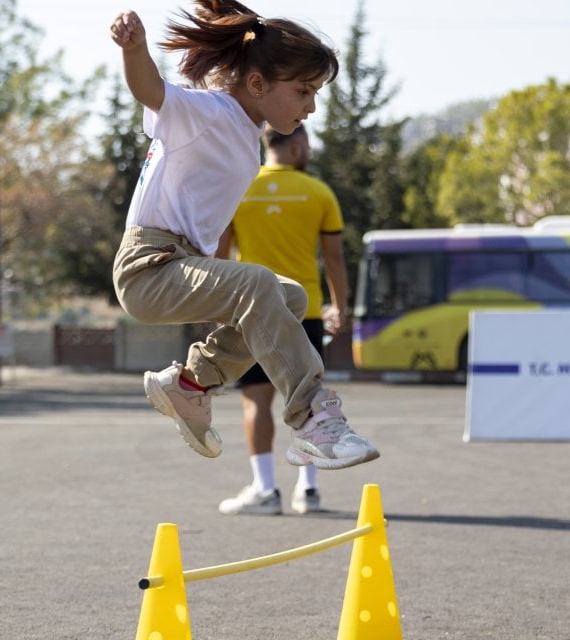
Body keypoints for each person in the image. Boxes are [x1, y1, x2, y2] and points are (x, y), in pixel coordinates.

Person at [108, 1, 379, 471]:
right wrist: (135, 49)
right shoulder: (208, 113)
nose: (311, 107)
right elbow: (150, 90)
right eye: (303, 91)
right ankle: (313, 417)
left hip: (181, 262)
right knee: (255, 283)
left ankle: (192, 385)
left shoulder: (244, 131)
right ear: (257, 84)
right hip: (148, 266)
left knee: (288, 296)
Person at [212, 125, 348, 515]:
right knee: (304, 399)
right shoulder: (319, 192)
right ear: (298, 146)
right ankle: (308, 491)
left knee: (256, 401)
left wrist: (218, 310)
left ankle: (266, 490)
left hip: (250, 310)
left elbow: (220, 257)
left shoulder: (239, 188)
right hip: (303, 310)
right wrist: (340, 306)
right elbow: (334, 259)